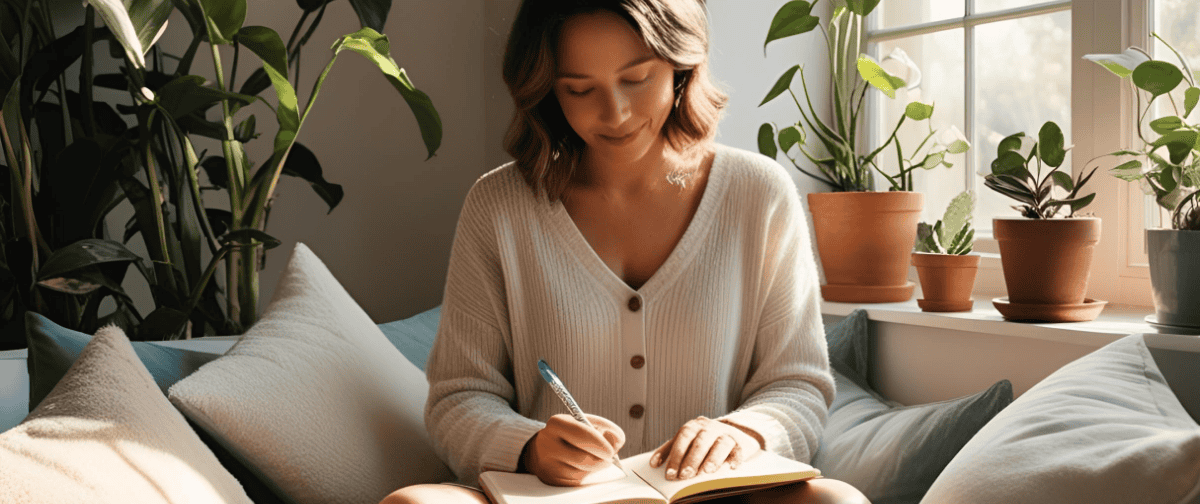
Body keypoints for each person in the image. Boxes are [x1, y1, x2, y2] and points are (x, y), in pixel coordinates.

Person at [381, 1, 869, 503]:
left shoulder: (759, 194)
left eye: (636, 78)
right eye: (579, 89)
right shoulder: (499, 207)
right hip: (548, 498)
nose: (613, 113)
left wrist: (742, 434)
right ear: (547, 90)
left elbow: (798, 385)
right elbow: (457, 398)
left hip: (712, 497)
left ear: (681, 64)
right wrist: (527, 447)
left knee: (837, 501)